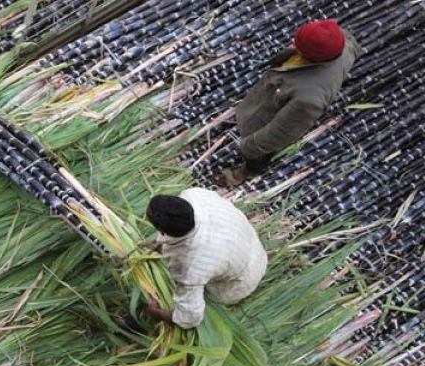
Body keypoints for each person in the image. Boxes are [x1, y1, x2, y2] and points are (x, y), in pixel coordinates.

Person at [217, 19, 361, 187]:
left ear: (310, 56)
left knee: (258, 153)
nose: (294, 43)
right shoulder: (338, 40)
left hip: (265, 123)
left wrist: (248, 146)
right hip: (281, 86)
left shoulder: (309, 98)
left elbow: (279, 133)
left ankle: (246, 172)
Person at [144, 187, 267, 329]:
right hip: (248, 244)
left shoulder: (190, 266)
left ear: (161, 230)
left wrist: (158, 314)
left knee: (179, 289)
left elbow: (190, 318)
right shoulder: (194, 195)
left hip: (243, 278)